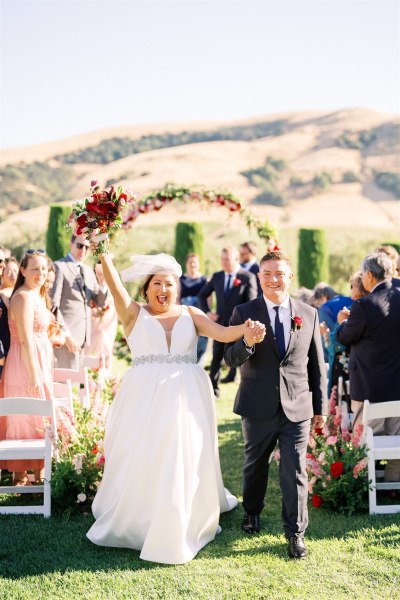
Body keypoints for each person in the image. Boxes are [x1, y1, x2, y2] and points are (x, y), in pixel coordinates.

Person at [86, 248, 265, 564]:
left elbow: (223, 333)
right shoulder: (132, 314)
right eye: (156, 283)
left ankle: (181, 515)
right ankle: (140, 518)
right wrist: (105, 254)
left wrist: (247, 331)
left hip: (187, 398)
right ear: (146, 288)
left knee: (183, 453)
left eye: (168, 284)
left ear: (176, 287)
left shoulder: (191, 314)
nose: (163, 290)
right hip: (144, 398)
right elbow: (114, 286)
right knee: (145, 452)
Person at [224, 251, 328, 559]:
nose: (273, 279)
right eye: (267, 273)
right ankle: (252, 512)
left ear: (290, 277)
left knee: (295, 469)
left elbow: (317, 367)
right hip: (257, 404)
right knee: (255, 464)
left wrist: (320, 408)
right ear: (259, 277)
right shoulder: (243, 311)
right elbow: (231, 358)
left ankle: (295, 533)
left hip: (298, 405)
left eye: (279, 273)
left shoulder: (308, 313)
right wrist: (248, 343)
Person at [337, 252, 400, 482]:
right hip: (398, 385)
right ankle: (394, 484)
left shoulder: (363, 305)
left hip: (369, 386)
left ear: (370, 276)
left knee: (364, 437)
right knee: (397, 436)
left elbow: (345, 337)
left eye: (363, 274)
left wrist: (342, 322)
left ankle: (363, 483)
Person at [0, 249, 53, 486]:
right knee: (25, 413)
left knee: (38, 416)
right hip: (25, 364)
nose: (40, 273)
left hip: (38, 361)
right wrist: (34, 373)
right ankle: (21, 477)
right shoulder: (22, 297)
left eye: (43, 268)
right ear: (23, 270)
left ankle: (38, 476)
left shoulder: (37, 295)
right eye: (35, 268)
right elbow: (24, 339)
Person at [198, 247, 258, 396]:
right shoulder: (217, 276)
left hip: (239, 327)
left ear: (236, 259)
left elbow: (252, 303)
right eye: (222, 259)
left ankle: (247, 391)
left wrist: (245, 324)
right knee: (216, 357)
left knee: (242, 358)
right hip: (219, 325)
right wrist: (207, 312)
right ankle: (213, 390)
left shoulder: (247, 277)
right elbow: (202, 295)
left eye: (227, 259)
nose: (224, 262)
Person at [50, 234, 108, 369]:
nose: (83, 250)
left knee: (76, 383)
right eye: (80, 245)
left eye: (87, 247)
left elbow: (99, 302)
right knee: (64, 383)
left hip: (83, 337)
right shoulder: (59, 267)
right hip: (65, 338)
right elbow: (53, 305)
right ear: (71, 244)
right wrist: (66, 335)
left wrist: (102, 282)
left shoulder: (88, 271)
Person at [85, 261, 117, 369]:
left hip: (106, 328)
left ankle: (103, 381)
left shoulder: (113, 286)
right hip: (93, 326)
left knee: (105, 352)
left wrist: (104, 311)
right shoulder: (90, 285)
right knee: (90, 353)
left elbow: (113, 306)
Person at [179, 253, 208, 363]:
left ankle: (199, 363)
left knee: (201, 339)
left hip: (200, 314)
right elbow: (177, 297)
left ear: (198, 264)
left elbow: (208, 300)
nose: (192, 264)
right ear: (186, 264)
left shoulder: (205, 280)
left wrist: (207, 313)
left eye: (194, 262)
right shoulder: (180, 279)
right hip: (185, 314)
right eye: (190, 262)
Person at [0, 257, 18, 381]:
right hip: (3, 350)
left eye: (16, 271)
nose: (13, 275)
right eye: (9, 271)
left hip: (16, 350)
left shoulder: (21, 295)